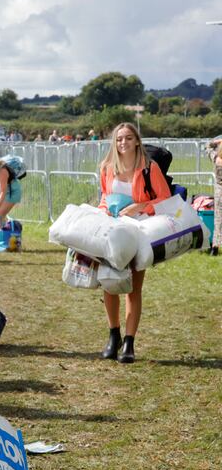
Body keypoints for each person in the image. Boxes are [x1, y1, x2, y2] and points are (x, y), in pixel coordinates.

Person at [97, 122, 170, 364]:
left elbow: (164, 199)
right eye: (119, 139)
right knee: (109, 283)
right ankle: (113, 335)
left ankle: (129, 342)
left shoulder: (150, 168)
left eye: (128, 138)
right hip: (113, 231)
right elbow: (104, 198)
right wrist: (104, 211)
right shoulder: (107, 168)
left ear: (137, 141)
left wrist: (139, 206)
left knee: (133, 288)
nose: (123, 143)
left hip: (140, 230)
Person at [0, 152, 21, 228]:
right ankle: (7, 234)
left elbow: (3, 192)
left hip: (12, 193)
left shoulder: (2, 171)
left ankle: (2, 236)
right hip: (7, 192)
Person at [205, 139, 222, 254]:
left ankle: (215, 247)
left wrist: (218, 140)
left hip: (219, 192)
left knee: (218, 220)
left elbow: (208, 146)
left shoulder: (216, 159)